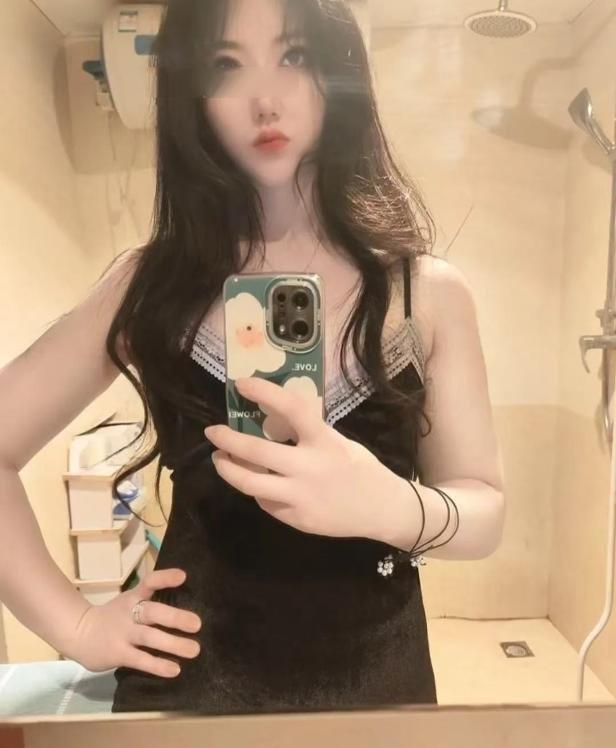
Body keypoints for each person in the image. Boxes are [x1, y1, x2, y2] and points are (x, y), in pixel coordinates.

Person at [0, 0, 505, 715]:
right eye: (224, 65)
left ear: (337, 69)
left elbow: (485, 511)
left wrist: (394, 504)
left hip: (378, 690)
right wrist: (77, 626)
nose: (265, 99)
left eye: (294, 55)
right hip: (187, 692)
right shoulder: (147, 287)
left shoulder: (426, 295)